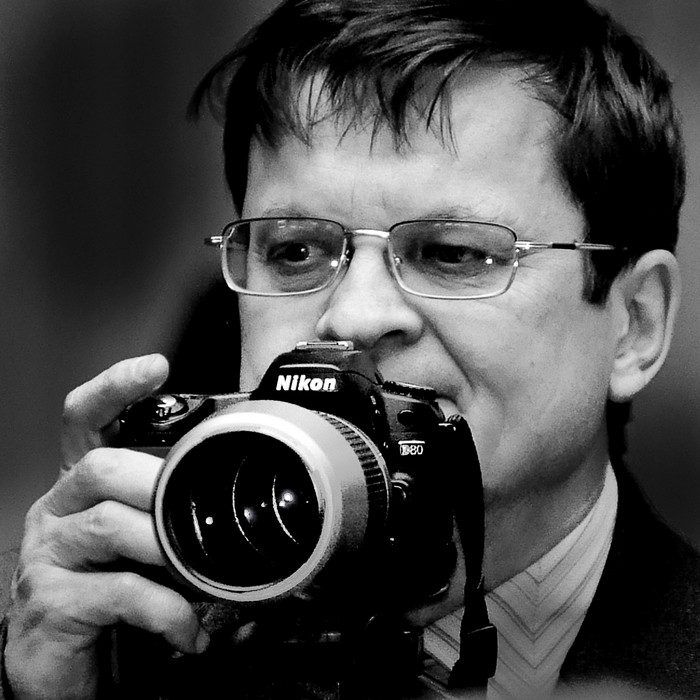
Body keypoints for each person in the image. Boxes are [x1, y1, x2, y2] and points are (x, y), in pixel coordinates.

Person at [2, 0, 699, 698]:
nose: (354, 317)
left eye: (453, 253)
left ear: (634, 325)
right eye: (296, 251)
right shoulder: (147, 644)